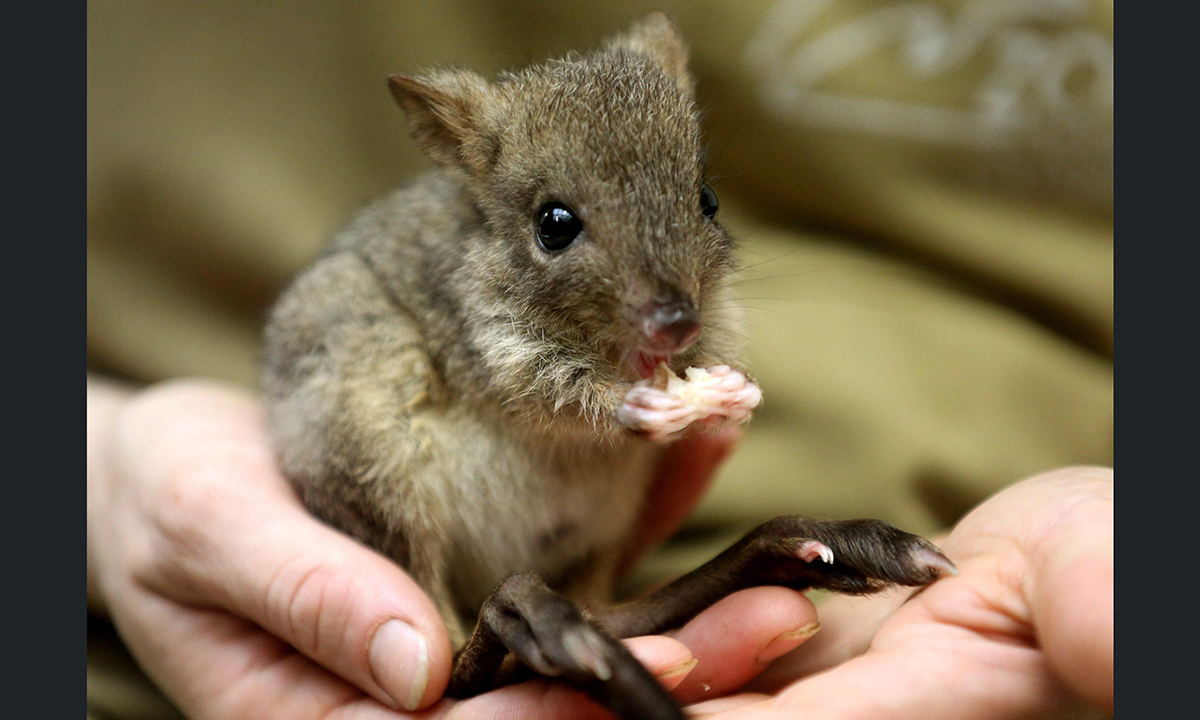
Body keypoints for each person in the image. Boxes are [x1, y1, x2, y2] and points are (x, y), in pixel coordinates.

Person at [87, 2, 1112, 718]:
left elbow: (685, 315)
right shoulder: (481, 252)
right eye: (563, 228)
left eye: (695, 207)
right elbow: (513, 380)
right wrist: (98, 471)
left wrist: (698, 390)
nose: (674, 306)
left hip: (806, 565)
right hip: (223, 591)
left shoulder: (676, 255)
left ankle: (627, 598)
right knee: (356, 381)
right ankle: (458, 629)